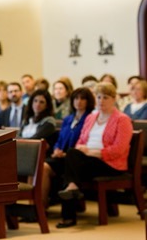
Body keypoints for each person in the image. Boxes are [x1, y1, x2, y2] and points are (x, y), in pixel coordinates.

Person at [56, 82, 133, 228]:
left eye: (105, 97)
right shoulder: (91, 117)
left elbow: (119, 149)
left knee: (71, 160)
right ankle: (72, 190)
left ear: (114, 99)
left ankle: (68, 214)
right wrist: (82, 149)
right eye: (98, 97)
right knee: (67, 160)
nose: (101, 101)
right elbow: (81, 140)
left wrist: (92, 152)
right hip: (86, 160)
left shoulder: (122, 120)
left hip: (110, 164)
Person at [42, 87, 95, 208]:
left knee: (46, 167)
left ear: (88, 101)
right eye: (76, 98)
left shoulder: (90, 118)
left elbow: (86, 141)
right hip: (61, 156)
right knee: (41, 166)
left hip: (76, 158)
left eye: (83, 98)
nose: (79, 101)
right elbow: (60, 139)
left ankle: (42, 207)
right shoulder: (68, 119)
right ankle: (40, 206)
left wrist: (66, 154)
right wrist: (56, 149)